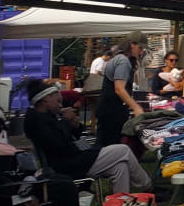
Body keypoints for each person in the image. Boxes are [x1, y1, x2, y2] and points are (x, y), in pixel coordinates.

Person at [25, 79, 153, 194]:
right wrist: (64, 122)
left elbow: (68, 137)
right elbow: (56, 144)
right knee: (123, 150)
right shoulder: (36, 120)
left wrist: (75, 126)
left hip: (74, 157)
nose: (60, 105)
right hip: (66, 164)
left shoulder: (47, 115)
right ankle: (147, 186)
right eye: (58, 101)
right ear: (46, 99)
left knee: (120, 166)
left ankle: (121, 205)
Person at [95, 32, 147, 147]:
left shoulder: (118, 57)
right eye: (140, 47)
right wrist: (136, 107)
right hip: (111, 112)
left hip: (108, 109)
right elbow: (119, 89)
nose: (141, 51)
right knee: (108, 148)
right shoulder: (123, 61)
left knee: (104, 145)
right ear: (132, 44)